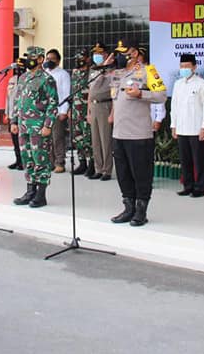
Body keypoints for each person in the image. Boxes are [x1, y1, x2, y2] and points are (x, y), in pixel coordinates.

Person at [109, 40, 166, 226]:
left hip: (138, 134)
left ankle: (141, 211)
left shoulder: (148, 71)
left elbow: (161, 95)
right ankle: (128, 208)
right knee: (123, 174)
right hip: (119, 133)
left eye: (124, 52)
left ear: (134, 53)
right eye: (118, 52)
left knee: (141, 174)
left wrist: (141, 94)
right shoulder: (116, 74)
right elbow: (115, 100)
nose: (120, 56)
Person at [9, 46, 58, 208]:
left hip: (39, 126)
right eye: (28, 56)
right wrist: (14, 121)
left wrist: (48, 125)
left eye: (32, 56)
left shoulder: (47, 79)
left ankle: (41, 195)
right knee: (27, 158)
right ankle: (30, 191)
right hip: (23, 126)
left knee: (40, 159)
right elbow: (17, 100)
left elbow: (53, 103)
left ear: (40, 59)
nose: (29, 59)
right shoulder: (23, 77)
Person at [171, 53, 204, 198]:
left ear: (194, 67)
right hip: (181, 128)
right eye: (182, 66)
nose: (184, 69)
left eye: (187, 66)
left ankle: (200, 187)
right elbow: (174, 106)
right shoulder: (178, 84)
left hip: (196, 128)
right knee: (185, 160)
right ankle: (187, 185)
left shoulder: (202, 84)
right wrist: (173, 125)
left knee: (198, 160)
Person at [87, 43, 113, 181]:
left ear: (106, 55)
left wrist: (112, 112)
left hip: (105, 106)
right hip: (94, 105)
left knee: (105, 139)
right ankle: (98, 168)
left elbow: (113, 93)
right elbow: (91, 91)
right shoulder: (93, 70)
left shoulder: (112, 71)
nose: (96, 56)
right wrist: (88, 111)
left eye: (100, 54)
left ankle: (107, 170)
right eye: (95, 53)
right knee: (95, 140)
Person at [45, 48, 71, 174]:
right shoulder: (44, 73)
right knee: (47, 138)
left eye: (52, 59)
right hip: (46, 112)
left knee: (57, 138)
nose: (49, 61)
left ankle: (60, 162)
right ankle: (50, 162)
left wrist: (64, 111)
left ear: (58, 61)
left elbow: (66, 94)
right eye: (47, 59)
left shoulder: (63, 74)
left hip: (58, 110)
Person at [70, 49, 93, 175]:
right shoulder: (75, 73)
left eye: (82, 58)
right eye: (77, 58)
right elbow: (72, 92)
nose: (79, 60)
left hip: (86, 111)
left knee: (88, 138)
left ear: (88, 59)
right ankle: (82, 162)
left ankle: (92, 164)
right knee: (77, 138)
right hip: (75, 111)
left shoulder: (92, 72)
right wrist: (69, 109)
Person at [5, 58, 26, 170]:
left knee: (23, 140)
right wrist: (7, 113)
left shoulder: (27, 79)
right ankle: (18, 160)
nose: (18, 69)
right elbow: (8, 98)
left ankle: (24, 161)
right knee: (15, 140)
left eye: (20, 67)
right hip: (12, 114)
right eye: (17, 67)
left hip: (23, 114)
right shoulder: (12, 80)